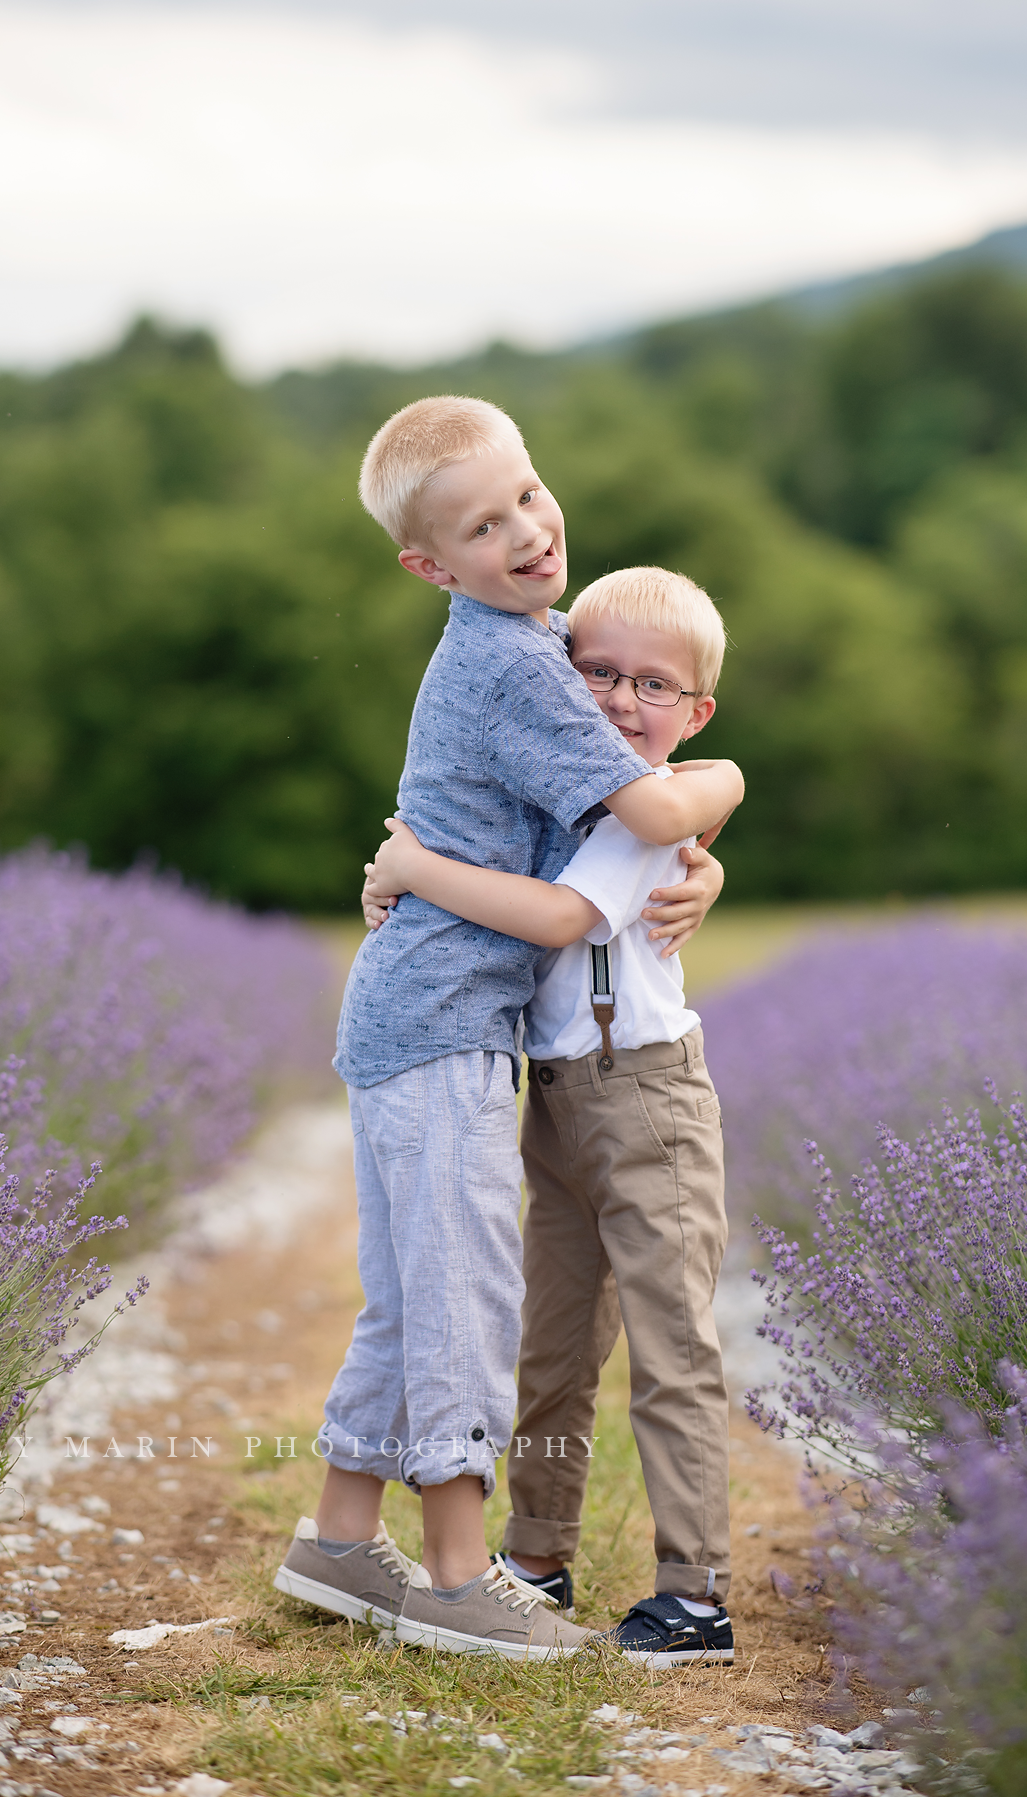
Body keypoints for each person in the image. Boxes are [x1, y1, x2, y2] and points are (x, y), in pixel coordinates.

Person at [274, 397, 742, 1659]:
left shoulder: (516, 644)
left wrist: (700, 845)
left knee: (410, 1296)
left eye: (529, 495)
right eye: (484, 526)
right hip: (445, 1024)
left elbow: (632, 815)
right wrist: (720, 791)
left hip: (414, 1016)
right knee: (466, 1298)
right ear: (431, 565)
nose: (528, 532)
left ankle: (333, 1540)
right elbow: (641, 816)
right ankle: (458, 1575)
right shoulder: (521, 662)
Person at [363, 565, 738, 1667]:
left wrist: (417, 867)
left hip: (649, 1100)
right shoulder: (571, 798)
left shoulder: (642, 812)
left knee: (671, 1344)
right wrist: (401, 879)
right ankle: (535, 1556)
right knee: (554, 1343)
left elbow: (564, 917)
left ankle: (695, 1595)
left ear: (695, 711)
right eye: (599, 674)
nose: (623, 701)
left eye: (653, 686)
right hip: (560, 1098)